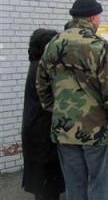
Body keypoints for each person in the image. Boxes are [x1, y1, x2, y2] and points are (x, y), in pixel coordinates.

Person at [36, 0, 108, 200]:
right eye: (99, 17)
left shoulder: (53, 45)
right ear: (93, 18)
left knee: (75, 188)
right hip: (98, 131)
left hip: (65, 130)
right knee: (102, 189)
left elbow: (41, 86)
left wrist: (59, 111)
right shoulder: (99, 47)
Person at [22, 28, 65, 200]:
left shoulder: (36, 65)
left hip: (36, 130)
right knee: (46, 185)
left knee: (43, 183)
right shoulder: (43, 69)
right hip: (42, 133)